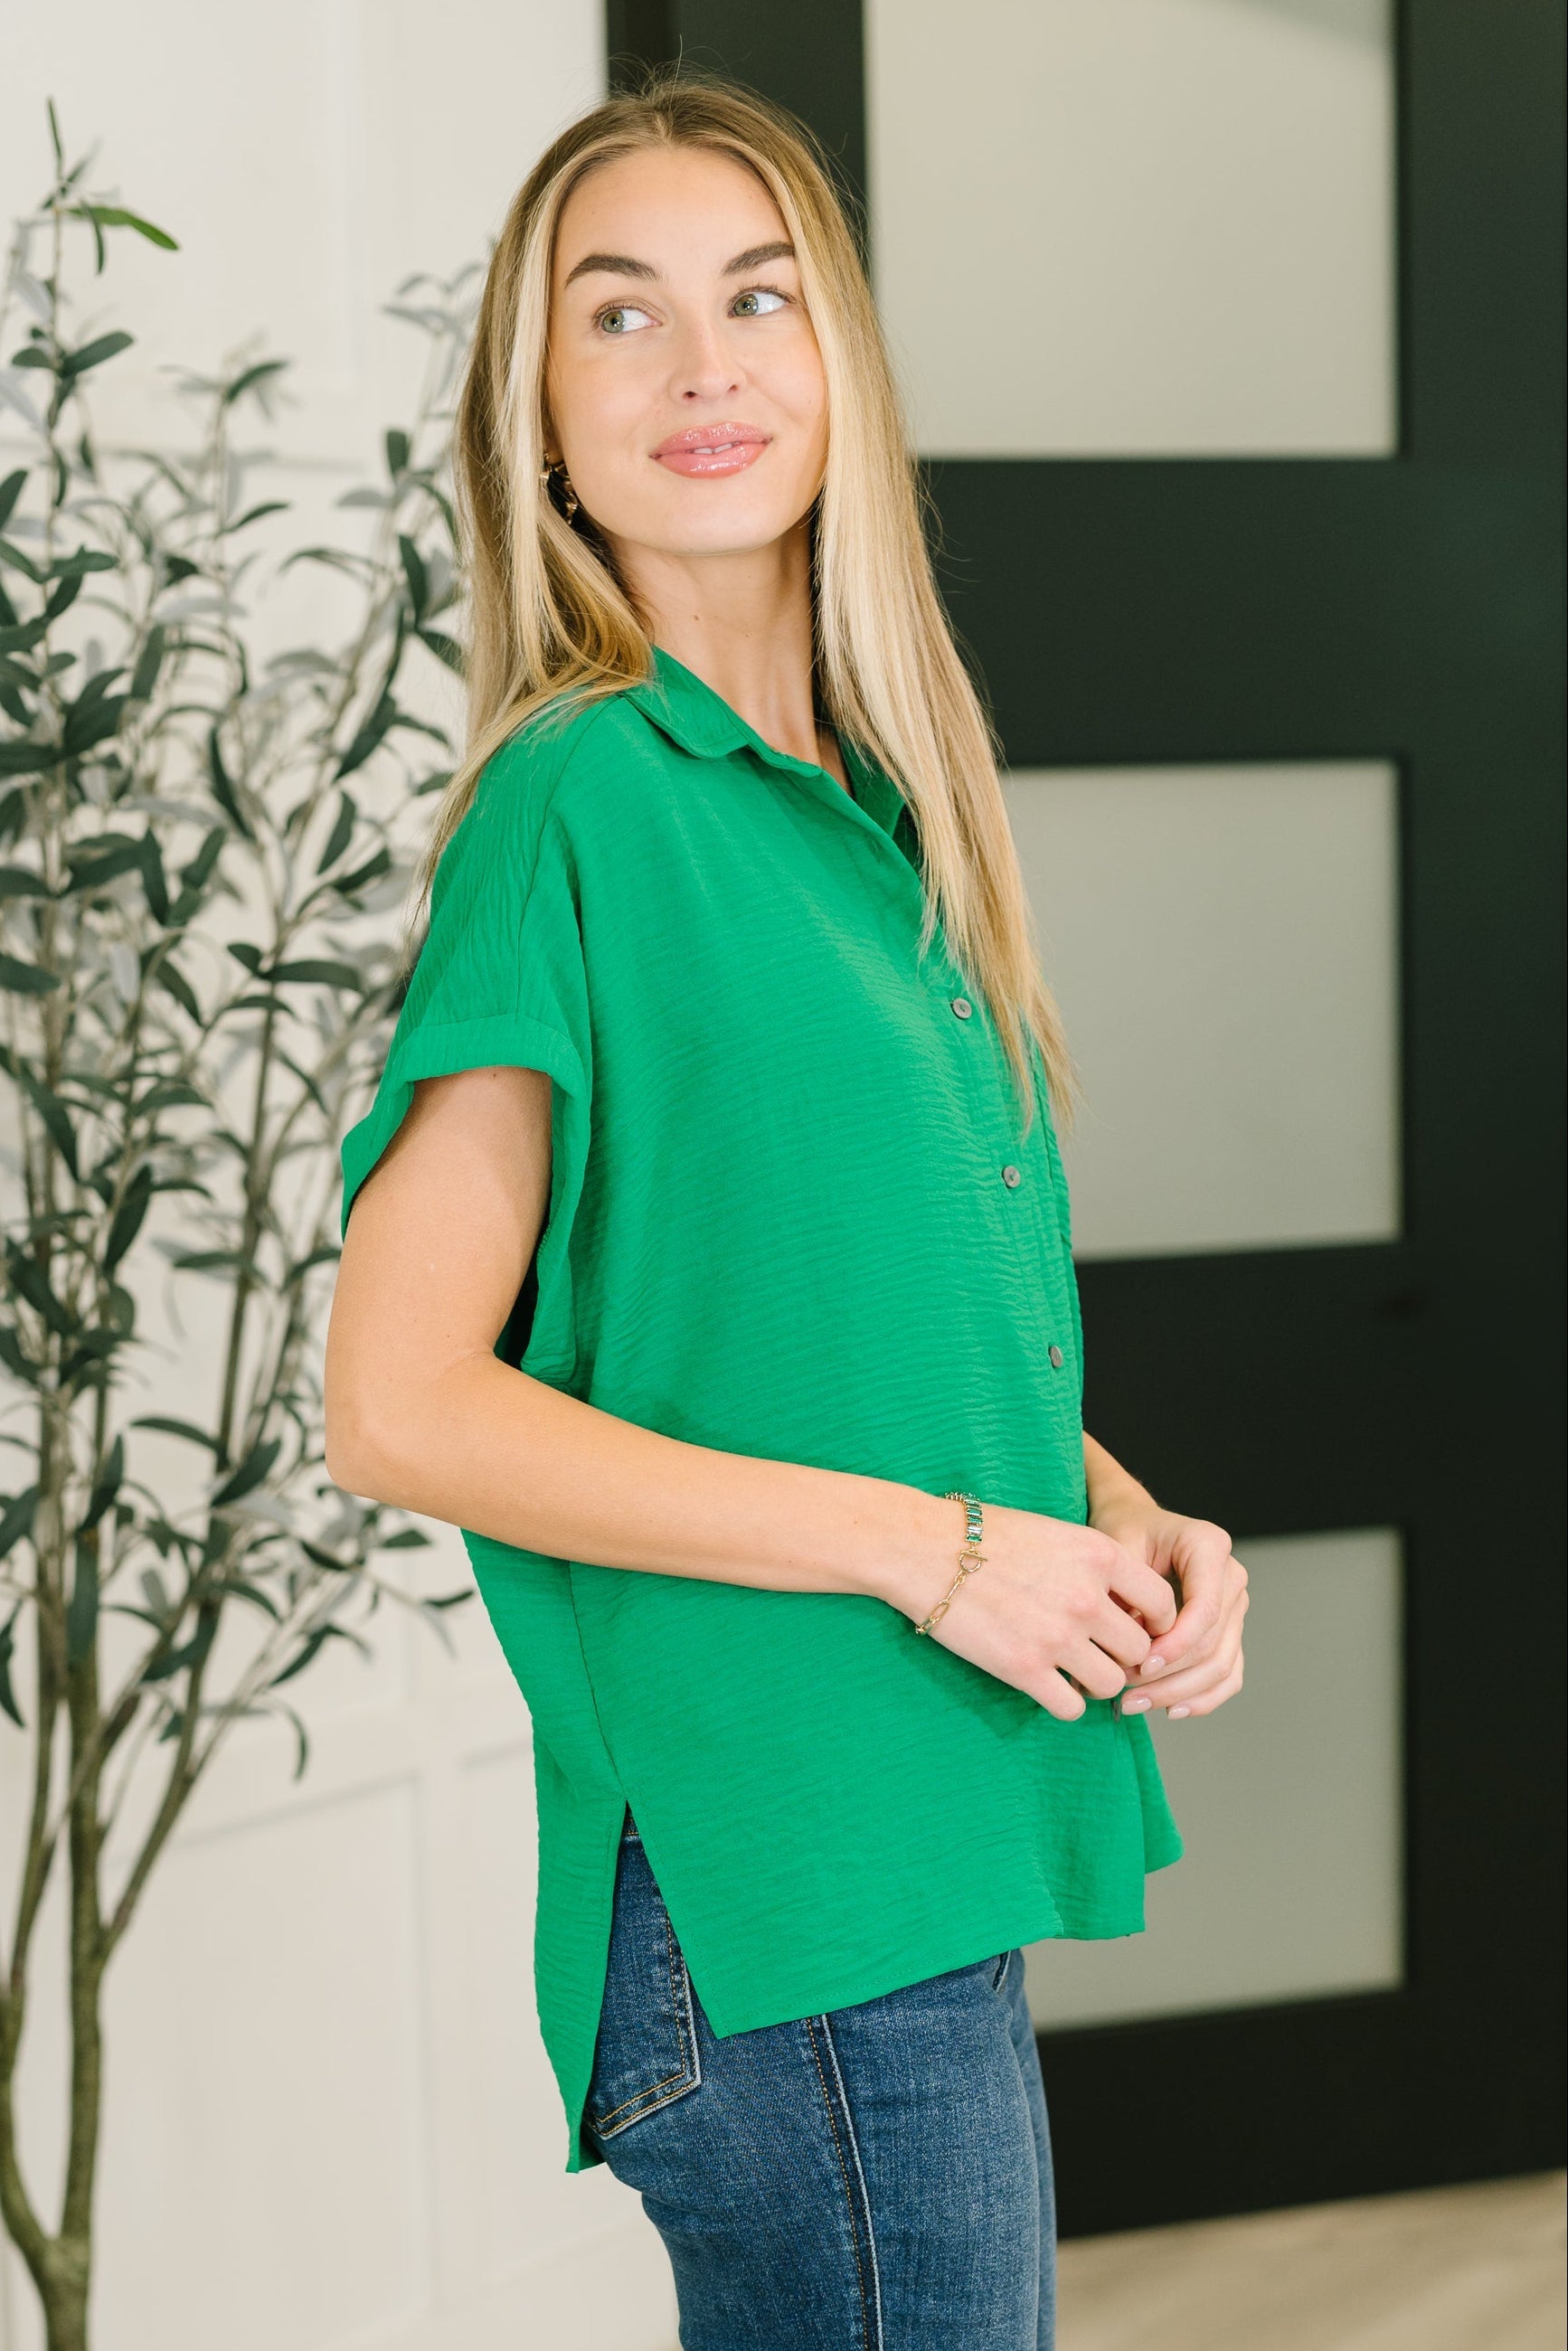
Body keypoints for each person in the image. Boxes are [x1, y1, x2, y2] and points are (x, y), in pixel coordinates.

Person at [324, 67, 1248, 2351]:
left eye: (756, 298)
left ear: (840, 361)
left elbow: (849, 1323)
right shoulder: (579, 801)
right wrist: (936, 1551)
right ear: (542, 421)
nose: (702, 364)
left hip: (896, 1847)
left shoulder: (875, 810)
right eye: (617, 313)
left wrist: (1115, 1521)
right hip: (781, 1890)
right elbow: (401, 1402)